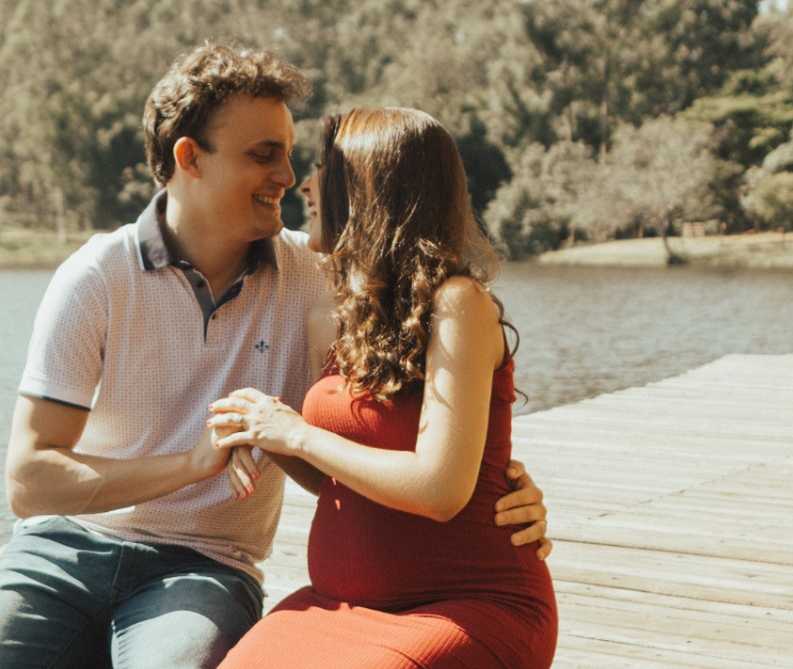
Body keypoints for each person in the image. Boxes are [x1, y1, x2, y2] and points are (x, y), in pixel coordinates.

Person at [0, 44, 550, 669]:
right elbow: (29, 481)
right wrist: (194, 464)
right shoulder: (95, 276)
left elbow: (427, 402)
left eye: (290, 154)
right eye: (264, 155)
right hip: (61, 551)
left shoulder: (320, 276)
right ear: (189, 158)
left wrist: (505, 484)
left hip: (206, 565)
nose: (288, 177)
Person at [209, 108, 558, 668]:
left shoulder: (458, 305)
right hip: (340, 608)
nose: (305, 182)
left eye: (324, 166)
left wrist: (296, 434)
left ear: (372, 188)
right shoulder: (331, 314)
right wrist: (265, 431)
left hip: (465, 605)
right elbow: (338, 481)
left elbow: (440, 490)